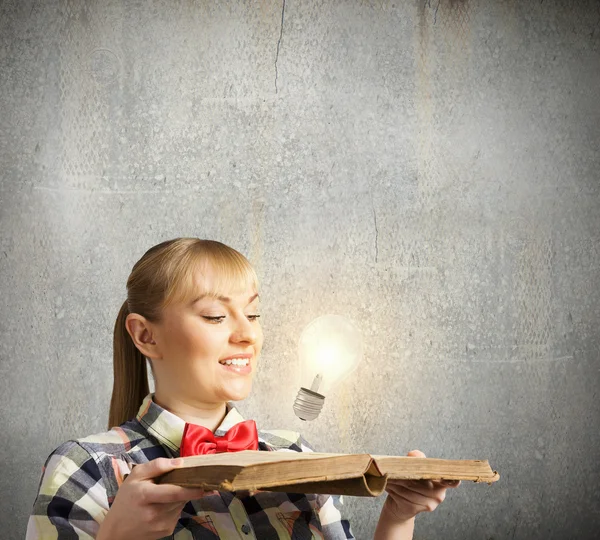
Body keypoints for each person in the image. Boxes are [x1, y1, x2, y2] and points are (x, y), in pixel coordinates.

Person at [26, 238, 460, 539]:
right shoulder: (85, 468)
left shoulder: (295, 456)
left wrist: (400, 517)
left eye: (253, 315)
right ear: (145, 336)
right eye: (216, 316)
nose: (247, 336)